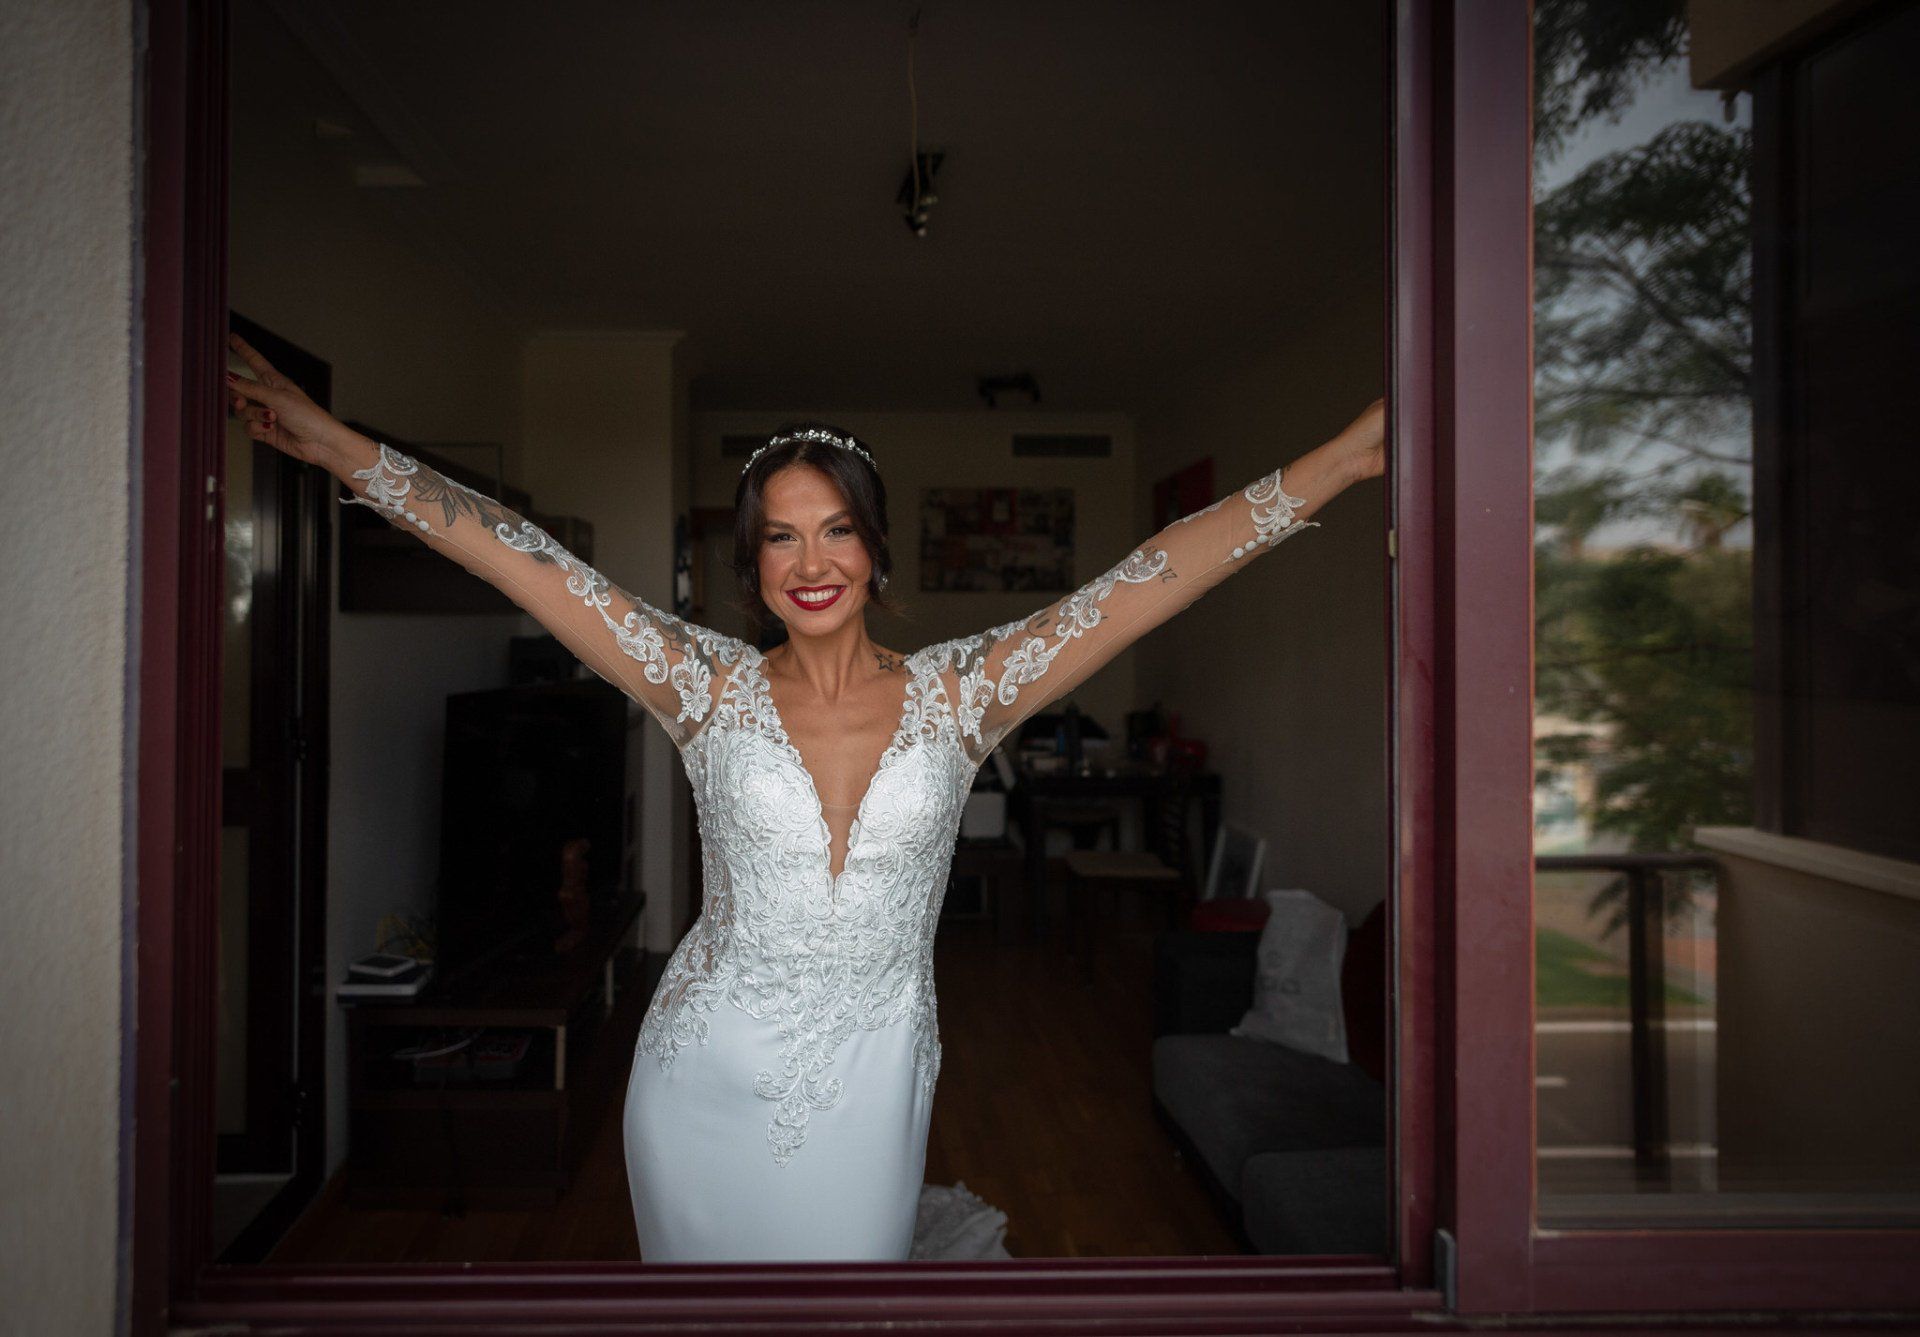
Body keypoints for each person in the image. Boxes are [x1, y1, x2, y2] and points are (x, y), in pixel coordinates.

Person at [224, 331, 1386, 1261]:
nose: (810, 560)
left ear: (875, 550)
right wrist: (338, 449)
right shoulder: (703, 685)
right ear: (753, 561)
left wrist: (1341, 458)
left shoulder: (967, 691)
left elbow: (1154, 575)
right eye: (780, 535)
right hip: (697, 1082)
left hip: (869, 1091)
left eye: (836, 529)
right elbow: (526, 558)